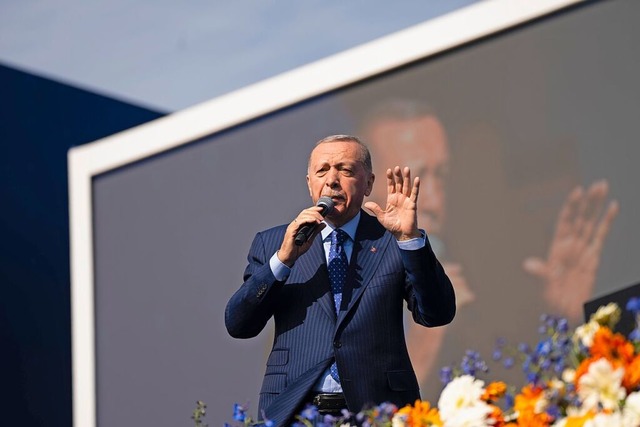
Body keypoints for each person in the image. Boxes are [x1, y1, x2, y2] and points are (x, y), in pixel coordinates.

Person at [361, 99, 619, 394]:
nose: (433, 201)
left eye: (441, 177)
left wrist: (562, 317)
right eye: (411, 183)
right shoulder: (333, 300)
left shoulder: (467, 295)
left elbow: (519, 399)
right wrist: (422, 347)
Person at [225, 135, 456, 427]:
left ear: (369, 184)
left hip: (379, 409)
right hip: (295, 410)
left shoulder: (392, 239)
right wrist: (283, 260)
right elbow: (239, 324)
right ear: (310, 183)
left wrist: (409, 241)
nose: (332, 181)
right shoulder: (274, 243)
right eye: (322, 171)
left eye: (345, 170)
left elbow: (437, 314)